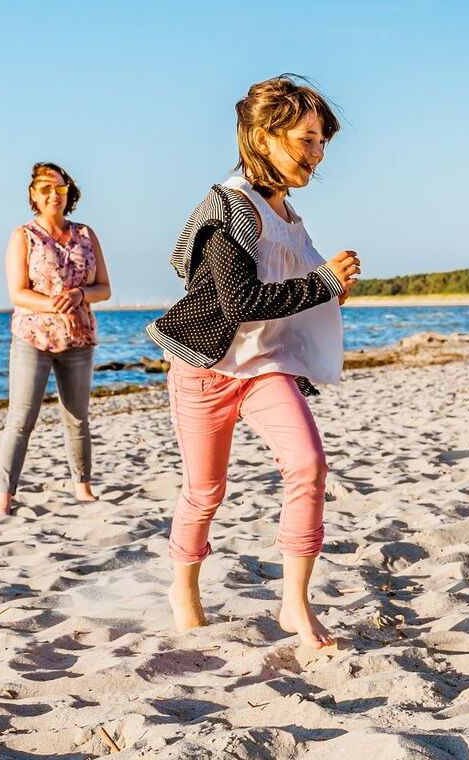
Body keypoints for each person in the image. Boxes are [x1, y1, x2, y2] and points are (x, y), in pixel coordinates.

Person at [145, 76, 361, 648]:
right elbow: (240, 302)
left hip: (265, 367)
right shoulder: (229, 210)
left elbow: (296, 286)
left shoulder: (287, 214)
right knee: (205, 490)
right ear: (263, 137)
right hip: (205, 367)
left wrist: (331, 289)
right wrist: (321, 283)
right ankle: (184, 588)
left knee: (309, 465)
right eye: (307, 140)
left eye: (322, 144)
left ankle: (294, 604)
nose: (317, 155)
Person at [0, 162, 112, 516]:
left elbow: (104, 288)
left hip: (79, 339)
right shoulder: (23, 235)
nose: (53, 195)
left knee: (77, 417)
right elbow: (17, 292)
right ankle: (4, 495)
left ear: (68, 193)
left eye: (59, 189)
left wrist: (78, 296)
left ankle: (83, 487)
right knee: (21, 418)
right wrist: (54, 305)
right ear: (34, 194)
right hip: (34, 337)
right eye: (45, 189)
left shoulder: (86, 234)